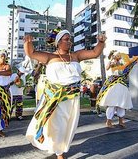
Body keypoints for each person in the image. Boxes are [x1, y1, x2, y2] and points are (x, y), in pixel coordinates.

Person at [24, 30, 106, 159]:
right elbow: (31, 53)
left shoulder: (76, 55)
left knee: (68, 125)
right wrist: (28, 43)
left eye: (70, 39)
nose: (69, 42)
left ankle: (59, 148)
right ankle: (59, 153)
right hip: (55, 97)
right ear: (58, 42)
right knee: (58, 125)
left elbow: (95, 53)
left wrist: (101, 41)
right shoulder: (49, 57)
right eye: (66, 39)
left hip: (72, 98)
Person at [97, 51, 138, 128]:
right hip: (114, 84)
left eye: (118, 55)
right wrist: (111, 60)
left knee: (122, 104)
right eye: (115, 55)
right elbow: (107, 68)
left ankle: (121, 121)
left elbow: (130, 65)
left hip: (122, 84)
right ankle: (108, 122)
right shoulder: (112, 63)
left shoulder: (125, 63)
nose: (117, 56)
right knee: (112, 104)